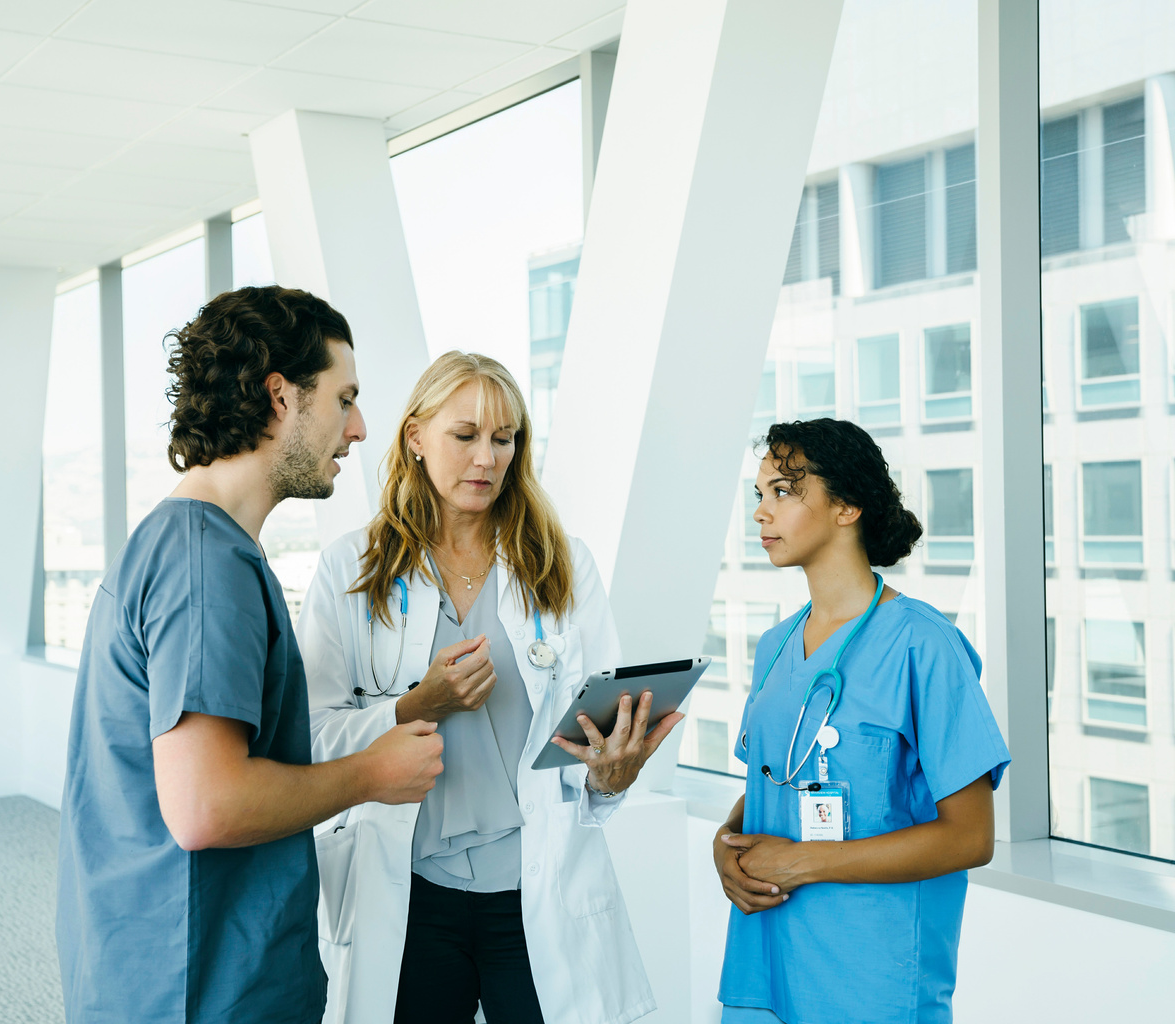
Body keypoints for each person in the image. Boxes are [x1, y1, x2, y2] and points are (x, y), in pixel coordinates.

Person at [56, 286, 445, 1024]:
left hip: (162, 966)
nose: (360, 428)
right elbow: (208, 805)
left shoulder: (184, 544)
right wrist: (373, 773)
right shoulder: (207, 565)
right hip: (202, 987)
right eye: (344, 398)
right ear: (280, 398)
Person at [296, 351, 680, 1024]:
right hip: (413, 892)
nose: (487, 458)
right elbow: (314, 736)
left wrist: (612, 776)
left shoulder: (561, 563)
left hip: (537, 887)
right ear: (415, 437)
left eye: (504, 439)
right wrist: (417, 706)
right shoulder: (351, 570)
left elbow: (590, 740)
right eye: (465, 435)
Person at [713, 418, 1011, 1024]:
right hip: (763, 966)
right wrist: (727, 843)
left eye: (784, 492)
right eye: (759, 495)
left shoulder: (923, 646)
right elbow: (770, 787)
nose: (760, 515)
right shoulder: (776, 645)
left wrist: (802, 861)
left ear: (846, 506)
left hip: (869, 979)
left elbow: (970, 836)